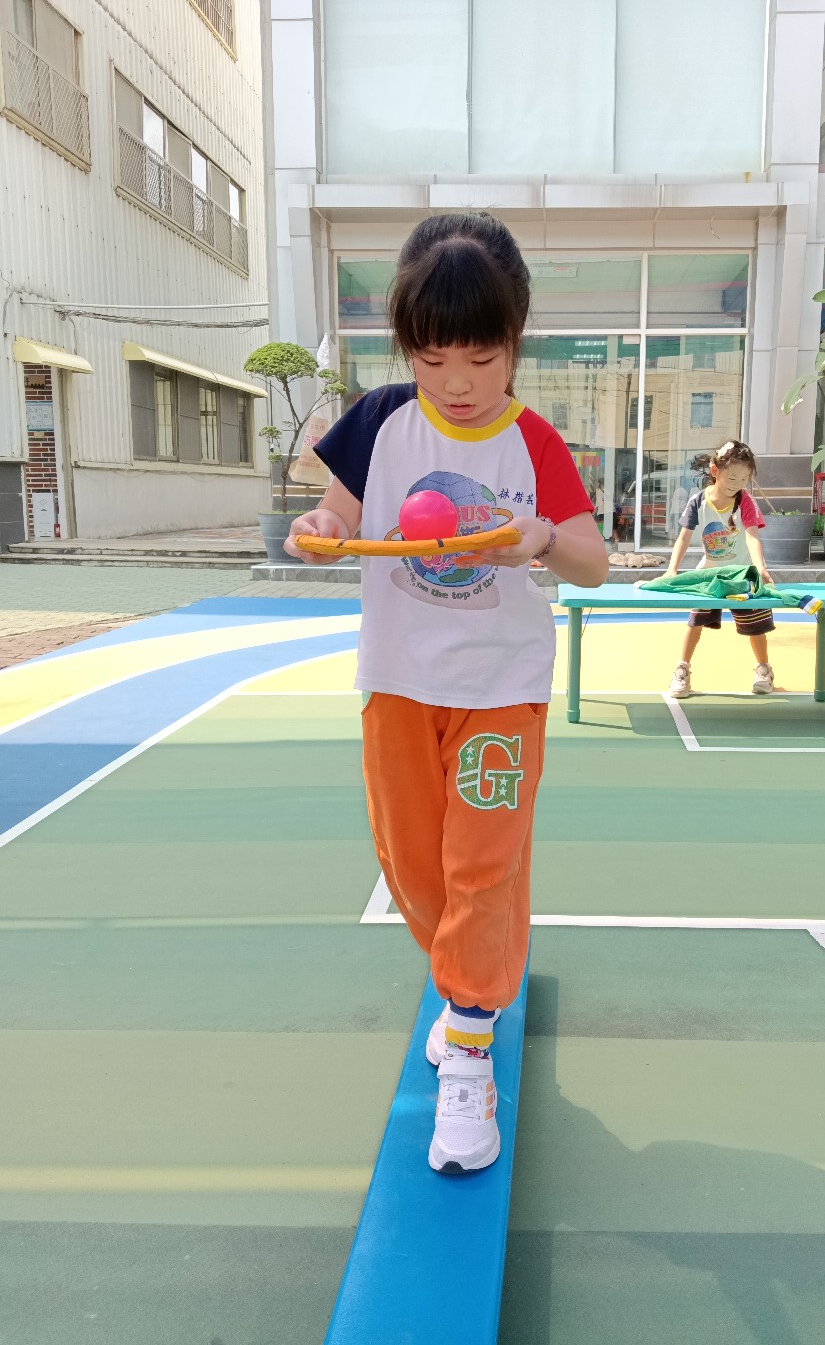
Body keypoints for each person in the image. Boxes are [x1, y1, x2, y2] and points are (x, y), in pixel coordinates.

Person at [284, 212, 608, 1173]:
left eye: (482, 358)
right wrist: (319, 529)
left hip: (501, 690)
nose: (458, 383)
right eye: (433, 360)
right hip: (398, 683)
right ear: (407, 350)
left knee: (481, 866)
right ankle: (467, 983)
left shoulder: (533, 442)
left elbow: (593, 560)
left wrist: (541, 539)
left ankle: (468, 1042)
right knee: (415, 872)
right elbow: (334, 514)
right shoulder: (381, 422)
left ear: (515, 341)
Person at [663, 440, 775, 698]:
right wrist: (672, 569)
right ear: (715, 471)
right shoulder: (698, 501)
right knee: (695, 622)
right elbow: (683, 538)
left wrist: (760, 567)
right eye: (732, 478)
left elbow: (752, 536)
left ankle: (764, 670)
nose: (737, 484)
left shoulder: (746, 502)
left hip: (743, 575)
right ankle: (682, 670)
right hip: (711, 575)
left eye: (744, 479)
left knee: (756, 626)